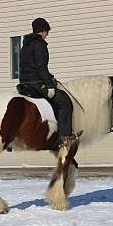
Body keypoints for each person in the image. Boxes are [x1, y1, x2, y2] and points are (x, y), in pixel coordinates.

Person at [17, 17, 77, 147]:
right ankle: (64, 138)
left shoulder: (25, 45)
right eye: (47, 32)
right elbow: (40, 67)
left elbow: (31, 66)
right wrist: (49, 85)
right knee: (65, 101)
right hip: (37, 83)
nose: (47, 35)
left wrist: (50, 77)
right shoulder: (39, 44)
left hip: (24, 82)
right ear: (43, 31)